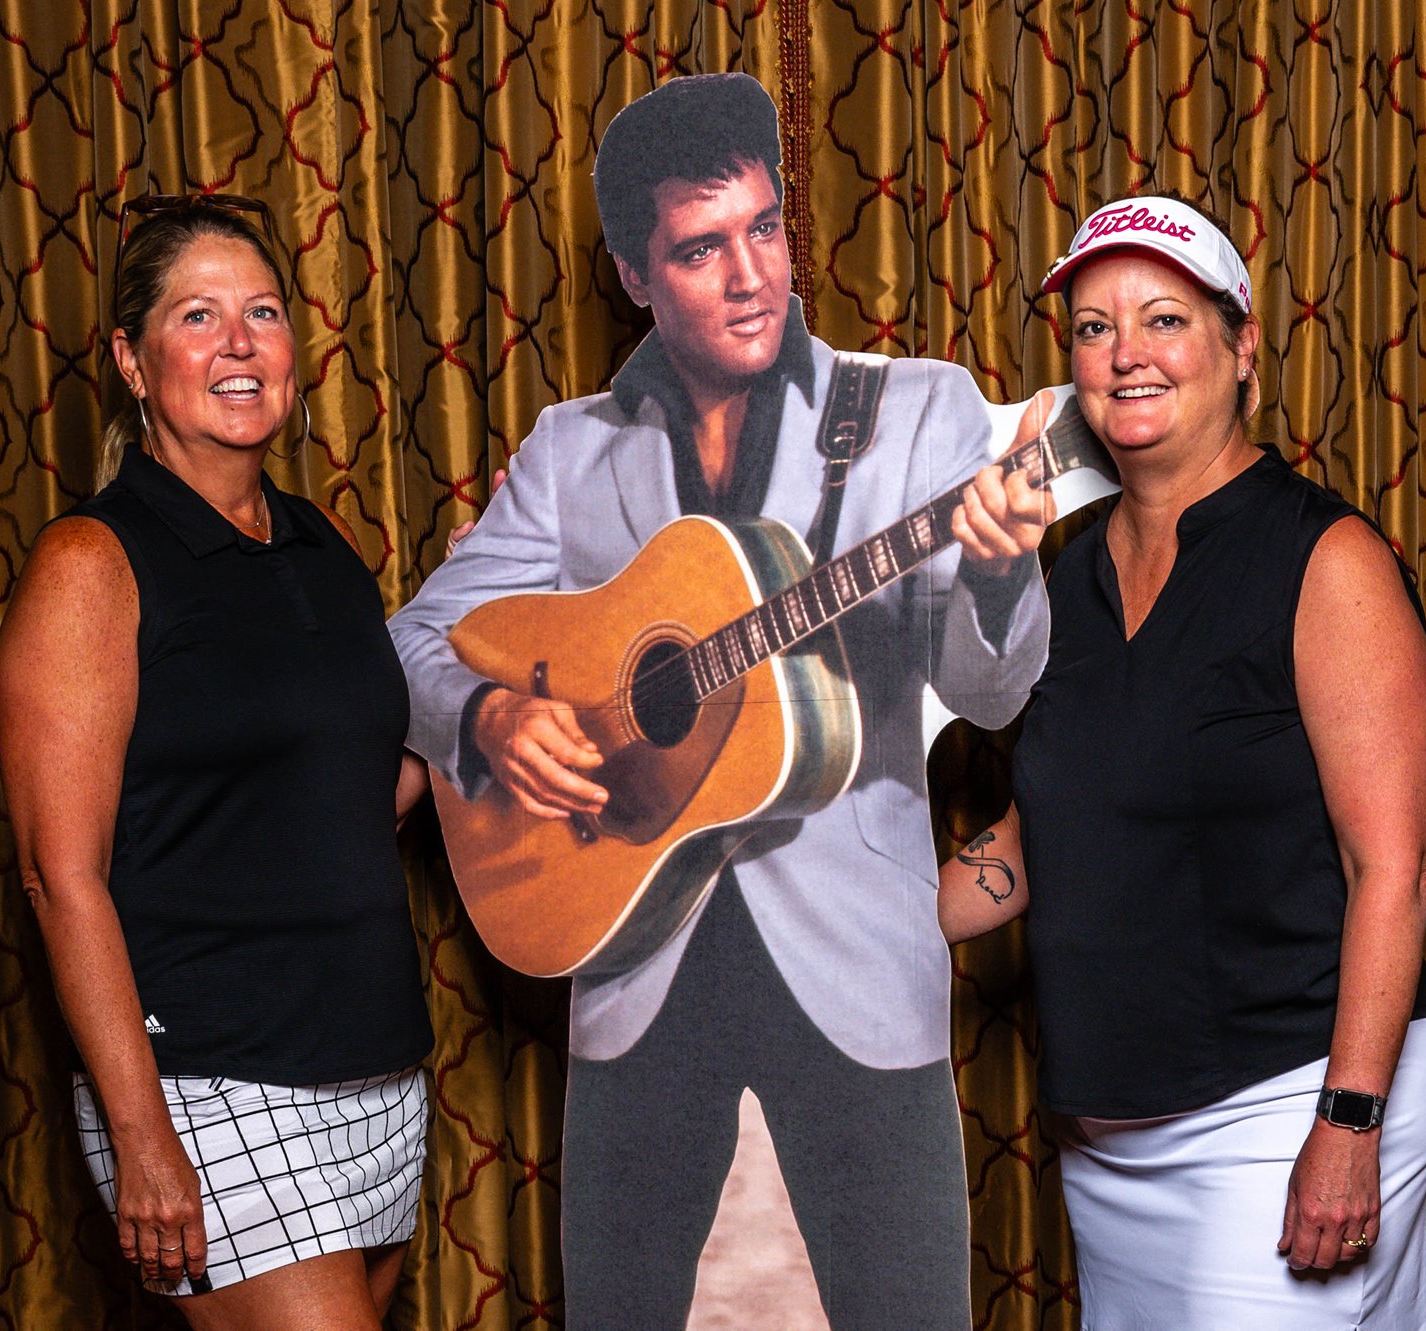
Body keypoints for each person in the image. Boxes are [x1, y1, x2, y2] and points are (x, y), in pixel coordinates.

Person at [391, 73, 1054, 1328]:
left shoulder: (916, 411)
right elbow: (414, 637)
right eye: (700, 249)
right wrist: (486, 716)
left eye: (765, 228)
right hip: (630, 959)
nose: (751, 276)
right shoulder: (570, 449)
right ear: (634, 276)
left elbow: (993, 686)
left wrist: (997, 566)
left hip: (855, 969)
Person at [939, 193, 1426, 1327]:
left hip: (1288, 1100)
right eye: (1093, 327)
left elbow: (1394, 868)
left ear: (1242, 346)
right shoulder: (1068, 581)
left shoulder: (1325, 558)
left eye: (1163, 319)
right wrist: (846, 917)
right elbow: (1052, 829)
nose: (1124, 353)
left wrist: (1347, 1123)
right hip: (1115, 1139)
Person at [0, 196, 433, 1331]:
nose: (239, 342)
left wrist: (487, 706)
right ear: (132, 362)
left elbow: (352, 805)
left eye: (264, 312)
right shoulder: (92, 561)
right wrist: (141, 1134)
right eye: (198, 316)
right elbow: (59, 875)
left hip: (380, 1069)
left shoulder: (323, 546)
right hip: (209, 1080)